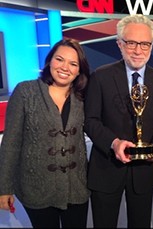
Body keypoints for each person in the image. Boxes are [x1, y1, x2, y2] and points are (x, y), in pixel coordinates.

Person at [84, 14, 153, 228]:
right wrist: (114, 143)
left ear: (152, 45)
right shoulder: (100, 77)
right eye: (131, 43)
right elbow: (91, 121)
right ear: (119, 44)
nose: (138, 50)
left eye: (145, 44)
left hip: (143, 172)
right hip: (105, 169)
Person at [0, 38, 91, 228]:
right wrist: (4, 188)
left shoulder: (83, 96)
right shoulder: (26, 91)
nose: (65, 67)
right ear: (50, 61)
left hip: (76, 185)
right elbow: (11, 142)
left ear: (79, 70)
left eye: (73, 64)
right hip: (36, 185)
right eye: (60, 59)